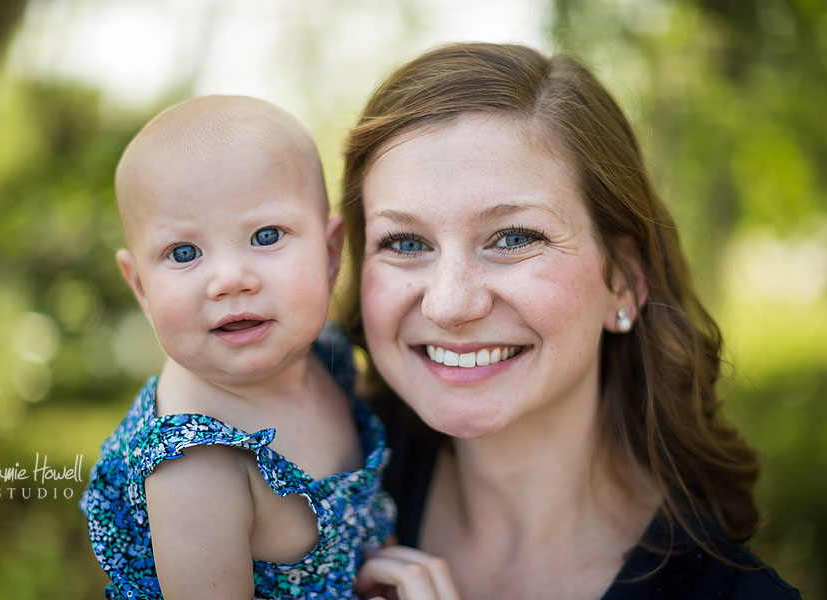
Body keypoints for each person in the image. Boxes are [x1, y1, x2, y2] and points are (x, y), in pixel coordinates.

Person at [340, 43, 802, 599]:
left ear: (624, 281)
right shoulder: (308, 497)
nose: (449, 305)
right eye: (405, 242)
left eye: (513, 239)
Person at [79, 95, 395, 600]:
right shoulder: (197, 467)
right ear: (140, 286)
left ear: (330, 251)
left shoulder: (328, 356)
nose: (229, 280)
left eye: (266, 235)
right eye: (184, 253)